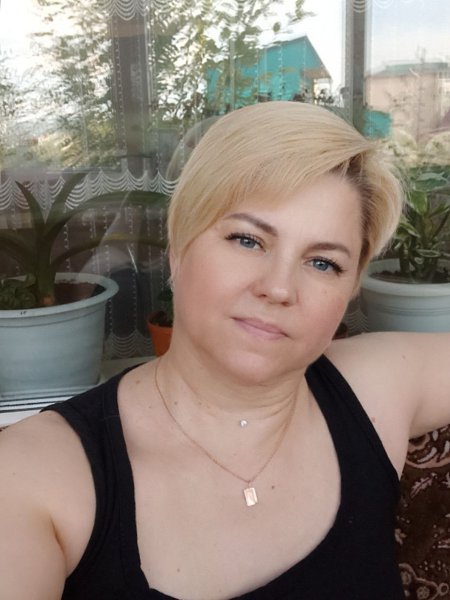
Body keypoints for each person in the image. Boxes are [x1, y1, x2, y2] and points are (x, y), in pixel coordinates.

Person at [1, 100, 449, 600]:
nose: (278, 288)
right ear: (178, 246)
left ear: (351, 288)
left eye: (323, 263)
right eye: (247, 240)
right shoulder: (35, 475)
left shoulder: (376, 387)